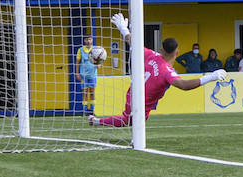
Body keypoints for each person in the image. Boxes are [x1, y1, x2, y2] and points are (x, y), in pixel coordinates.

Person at [90, 14, 226, 127]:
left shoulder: (152, 54)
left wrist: (123, 28)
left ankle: (98, 122)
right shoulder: (167, 72)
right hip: (141, 99)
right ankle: (95, 121)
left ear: (161, 50)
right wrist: (211, 77)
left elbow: (133, 43)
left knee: (137, 120)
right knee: (128, 121)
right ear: (177, 52)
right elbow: (184, 86)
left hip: (133, 91)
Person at [76, 34, 98, 112]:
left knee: (92, 92)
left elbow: (99, 60)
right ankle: (84, 110)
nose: (88, 41)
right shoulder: (80, 50)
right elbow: (77, 62)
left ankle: (92, 110)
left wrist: (99, 64)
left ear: (92, 40)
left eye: (90, 39)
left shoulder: (96, 50)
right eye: (87, 39)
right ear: (84, 40)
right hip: (83, 75)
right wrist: (77, 73)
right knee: (84, 92)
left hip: (93, 75)